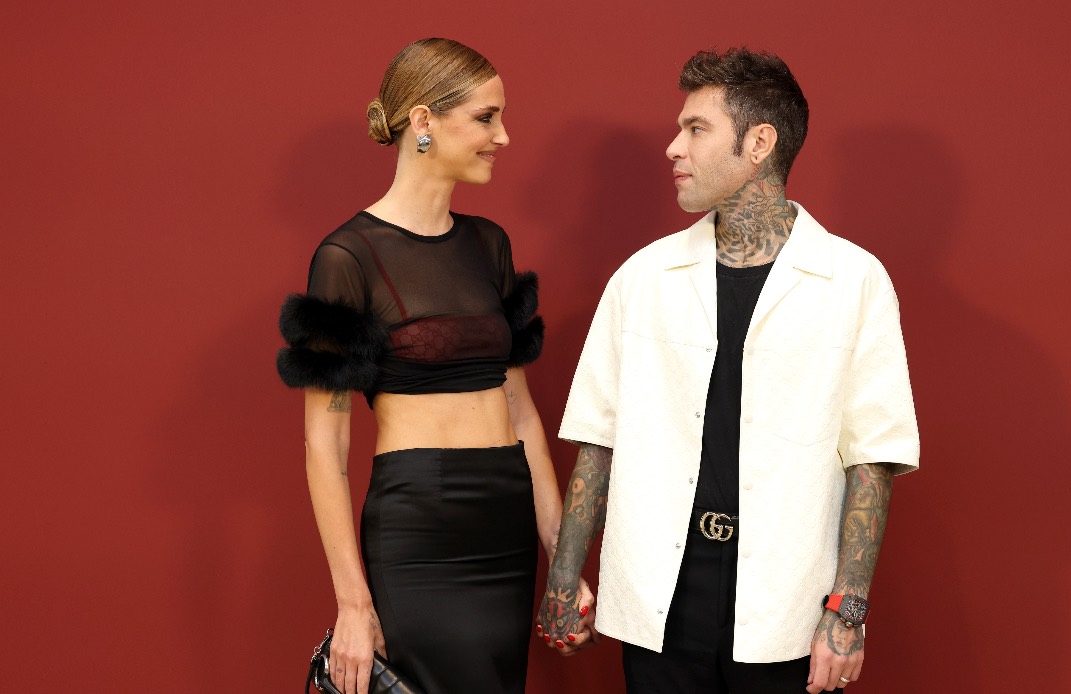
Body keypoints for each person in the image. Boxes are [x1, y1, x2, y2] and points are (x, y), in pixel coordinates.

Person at [537, 47, 920, 694]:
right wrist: (561, 579)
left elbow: (871, 458)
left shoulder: (853, 281)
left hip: (786, 600)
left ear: (759, 143)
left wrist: (846, 611)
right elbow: (598, 440)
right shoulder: (642, 277)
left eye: (696, 128)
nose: (673, 148)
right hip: (661, 595)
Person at [275, 38, 589, 694]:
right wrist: (353, 604)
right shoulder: (347, 256)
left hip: (504, 521)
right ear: (423, 121)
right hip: (420, 526)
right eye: (485, 118)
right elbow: (325, 443)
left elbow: (521, 414)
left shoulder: (490, 245)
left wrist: (563, 560)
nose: (503, 136)